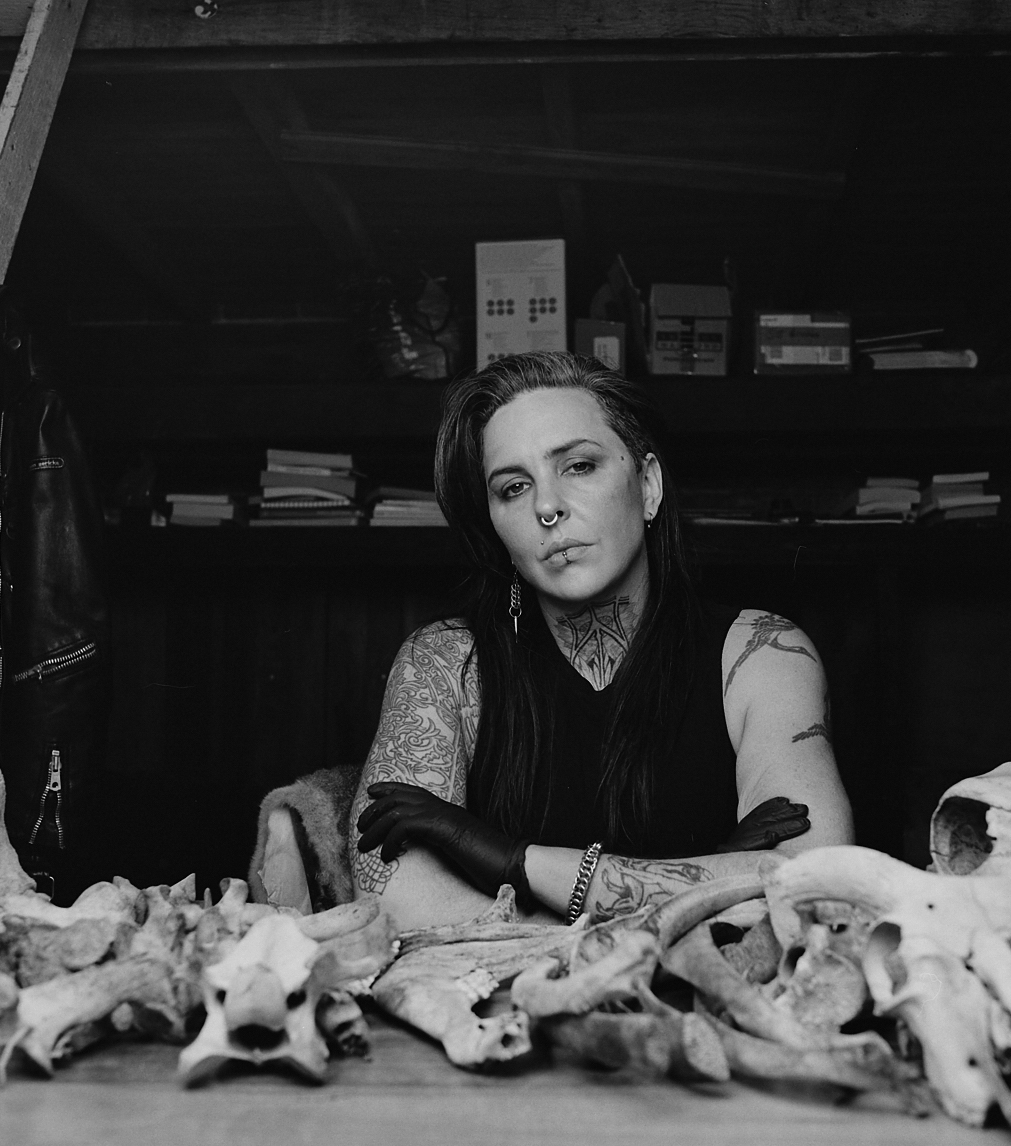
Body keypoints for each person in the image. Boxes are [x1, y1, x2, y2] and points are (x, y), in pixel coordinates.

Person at [343, 351, 853, 930]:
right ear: (495, 526)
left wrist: (514, 860)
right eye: (513, 487)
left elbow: (811, 882)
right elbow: (399, 901)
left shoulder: (761, 653)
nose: (547, 506)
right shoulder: (444, 663)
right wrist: (713, 874)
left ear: (649, 485)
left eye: (579, 466)